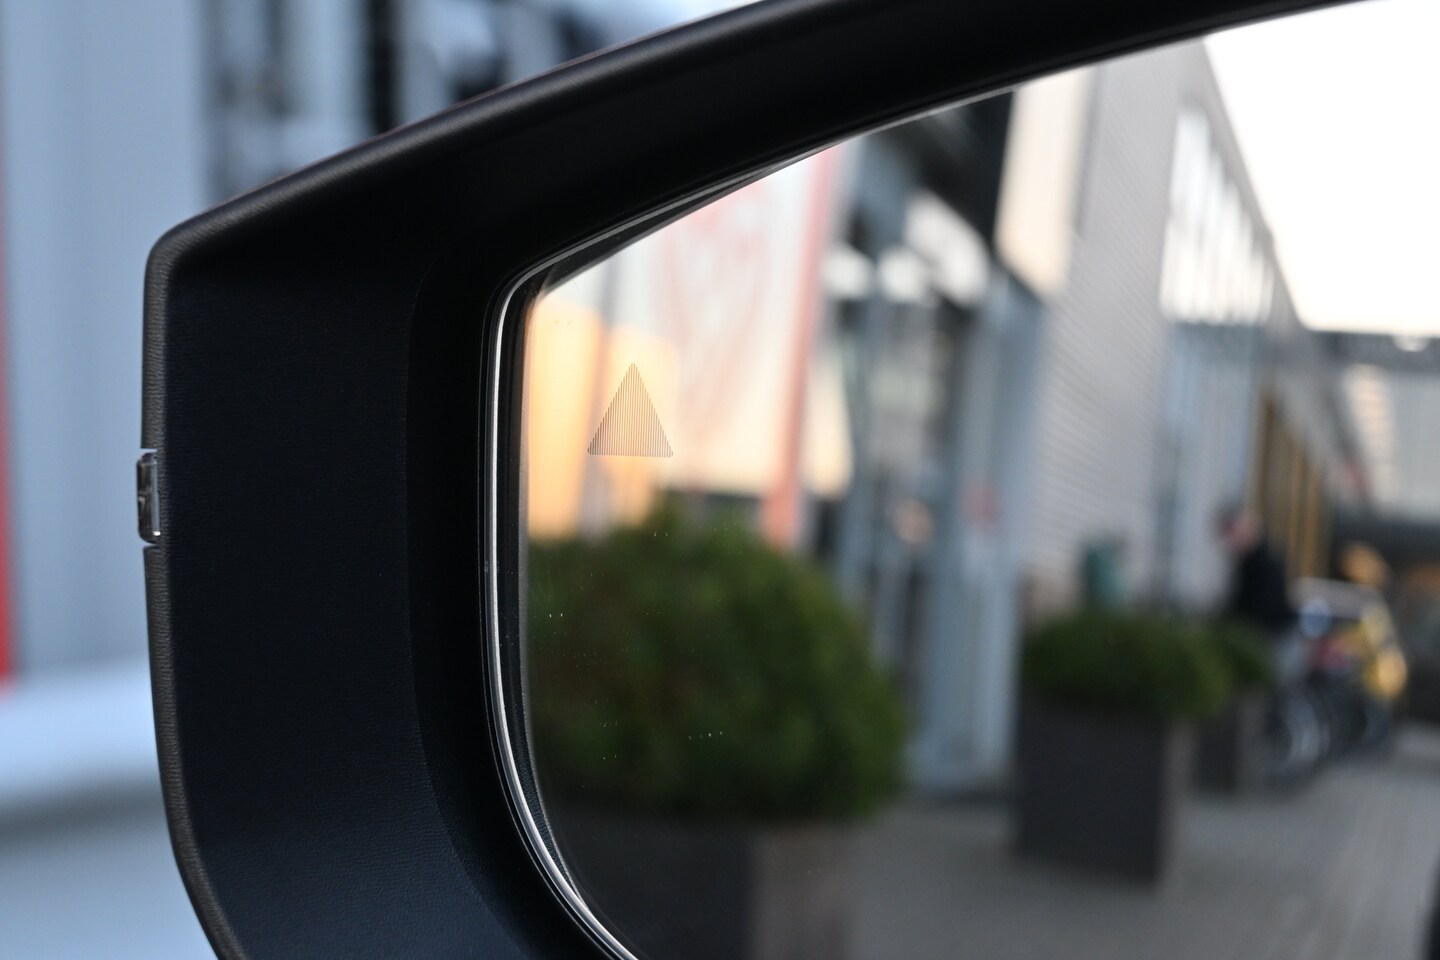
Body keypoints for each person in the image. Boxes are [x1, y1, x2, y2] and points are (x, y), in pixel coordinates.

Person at [1217, 505, 1303, 683]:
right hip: (1268, 636)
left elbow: (1260, 605)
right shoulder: (1248, 563)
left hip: (1276, 637)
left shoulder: (1264, 562)